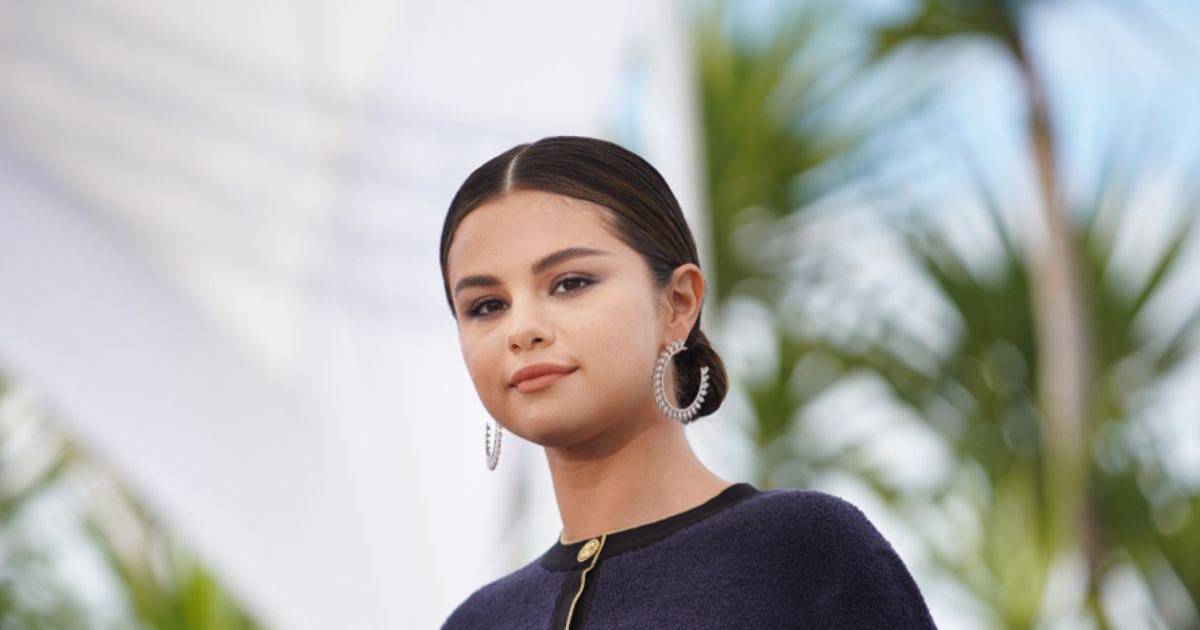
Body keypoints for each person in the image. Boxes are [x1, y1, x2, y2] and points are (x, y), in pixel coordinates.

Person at [438, 135, 938, 629]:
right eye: (487, 306)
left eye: (570, 283)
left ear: (678, 303)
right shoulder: (478, 622)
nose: (522, 329)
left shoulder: (801, 554)